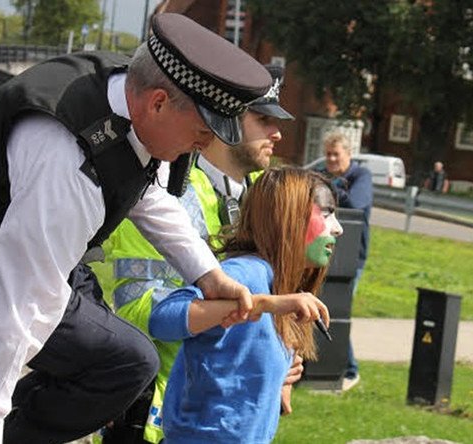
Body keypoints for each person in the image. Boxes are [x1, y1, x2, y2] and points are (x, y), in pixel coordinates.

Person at [0, 13, 278, 444]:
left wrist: (210, 275)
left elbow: (145, 195)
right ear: (159, 103)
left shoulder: (131, 91)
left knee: (122, 361)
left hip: (32, 239)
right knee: (121, 363)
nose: (205, 146)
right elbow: (18, 316)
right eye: (203, 132)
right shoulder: (66, 166)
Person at [99, 64, 295, 444]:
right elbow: (136, 309)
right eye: (262, 118)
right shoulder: (165, 190)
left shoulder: (266, 197)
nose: (278, 132)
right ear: (224, 119)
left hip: (230, 421)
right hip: (161, 418)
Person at [148, 167, 341, 444]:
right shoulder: (245, 273)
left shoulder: (278, 281)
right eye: (326, 214)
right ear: (289, 217)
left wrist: (279, 377)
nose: (337, 228)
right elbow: (163, 319)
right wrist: (262, 304)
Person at [319, 132, 373, 391]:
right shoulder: (323, 173)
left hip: (352, 256)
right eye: (327, 154)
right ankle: (313, 367)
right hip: (321, 250)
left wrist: (332, 187)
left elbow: (357, 204)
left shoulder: (361, 176)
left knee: (338, 311)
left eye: (335, 154)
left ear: (348, 155)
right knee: (319, 306)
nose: (330, 159)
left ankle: (350, 369)